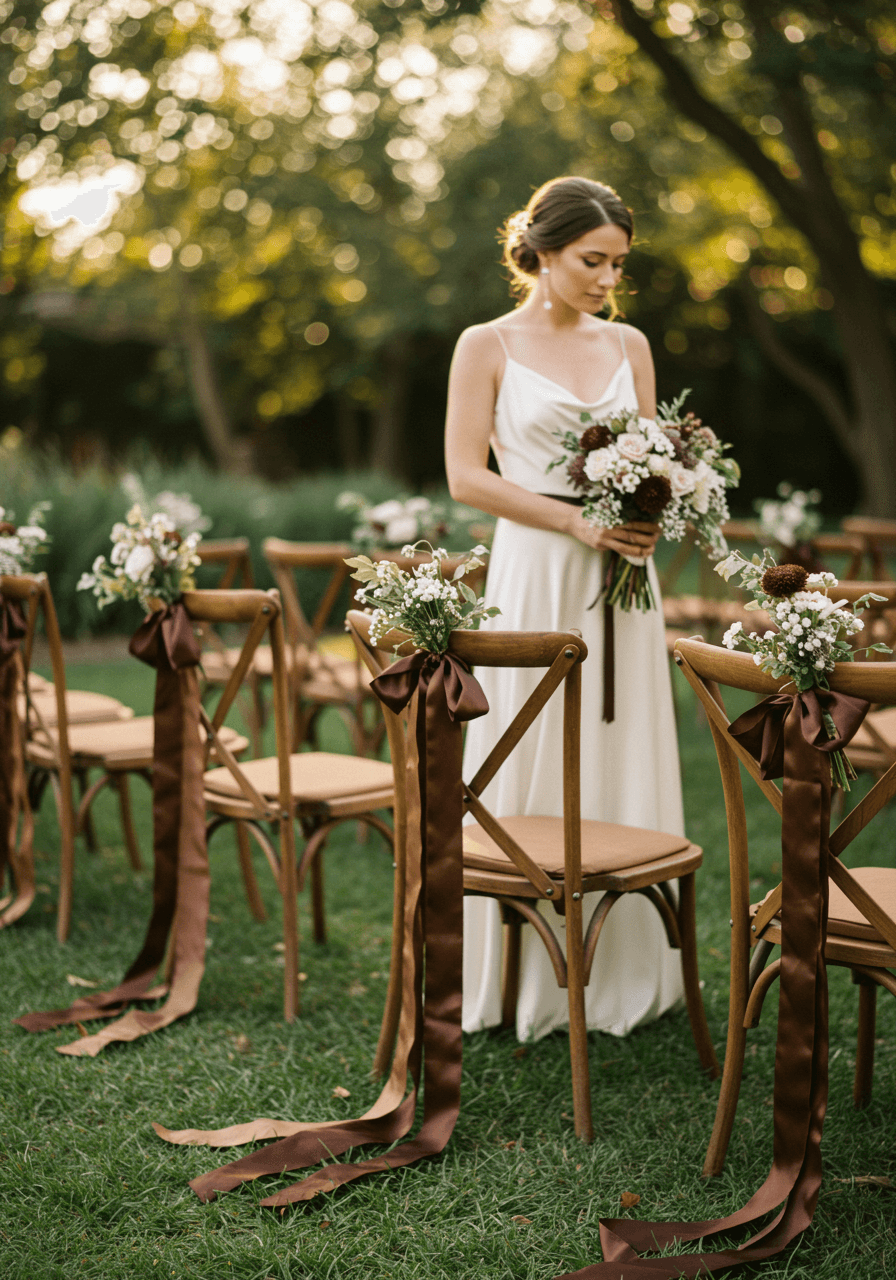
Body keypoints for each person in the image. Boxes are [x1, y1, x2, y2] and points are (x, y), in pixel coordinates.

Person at [444, 175, 686, 1041]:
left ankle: (621, 969)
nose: (606, 280)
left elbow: (651, 459)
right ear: (543, 251)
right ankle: (517, 975)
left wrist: (647, 513)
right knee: (528, 738)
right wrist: (574, 521)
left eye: (618, 264)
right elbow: (467, 475)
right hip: (539, 566)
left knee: (617, 739)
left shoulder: (631, 344)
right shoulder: (487, 343)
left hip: (622, 582)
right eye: (592, 260)